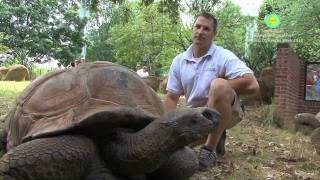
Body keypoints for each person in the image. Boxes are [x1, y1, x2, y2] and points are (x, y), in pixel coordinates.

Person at [163, 12, 259, 171]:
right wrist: (164, 126)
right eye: (197, 26)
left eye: (206, 29)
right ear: (192, 29)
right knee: (173, 148)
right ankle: (217, 136)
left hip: (226, 112)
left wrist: (222, 88)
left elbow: (253, 85)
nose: (200, 32)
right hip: (195, 115)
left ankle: (209, 150)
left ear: (214, 34)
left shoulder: (223, 56)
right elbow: (172, 97)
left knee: (219, 85)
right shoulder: (179, 60)